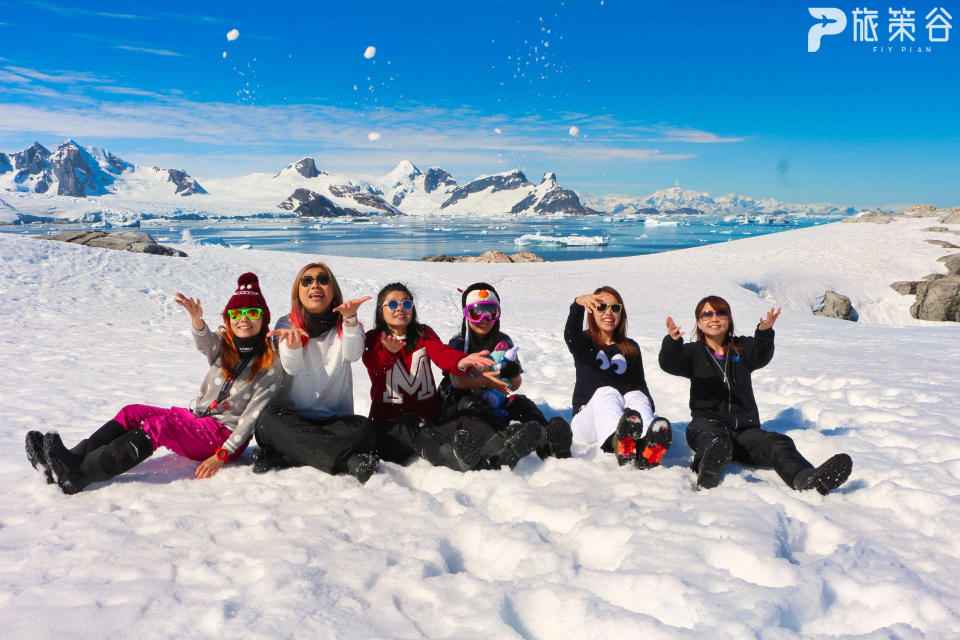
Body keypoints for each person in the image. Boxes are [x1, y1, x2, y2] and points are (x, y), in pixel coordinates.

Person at [26, 272, 285, 494]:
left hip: (221, 436)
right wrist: (196, 319)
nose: (244, 319)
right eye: (237, 312)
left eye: (253, 312)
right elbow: (205, 342)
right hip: (198, 419)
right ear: (228, 318)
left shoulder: (269, 364)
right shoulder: (224, 346)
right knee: (132, 412)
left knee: (160, 426)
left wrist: (221, 456)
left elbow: (251, 419)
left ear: (264, 319)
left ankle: (81, 474)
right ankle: (70, 459)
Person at [659, 295, 852, 493]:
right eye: (707, 314)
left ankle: (805, 479)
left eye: (720, 313)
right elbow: (670, 363)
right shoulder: (693, 352)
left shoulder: (741, 349)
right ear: (699, 323)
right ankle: (706, 470)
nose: (714, 318)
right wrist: (672, 342)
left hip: (744, 432)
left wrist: (764, 332)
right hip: (706, 425)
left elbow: (761, 354)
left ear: (729, 319)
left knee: (779, 442)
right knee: (715, 439)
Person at [363, 282, 539, 471]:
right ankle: (458, 459)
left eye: (406, 304)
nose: (400, 308)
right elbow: (375, 364)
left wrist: (461, 362)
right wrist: (389, 352)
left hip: (430, 417)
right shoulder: (374, 338)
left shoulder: (423, 333)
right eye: (392, 304)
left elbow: (442, 353)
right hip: (391, 423)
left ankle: (502, 447)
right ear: (380, 310)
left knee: (465, 419)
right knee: (421, 434)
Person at [252, 263, 380, 483]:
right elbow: (292, 367)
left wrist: (350, 320)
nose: (315, 285)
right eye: (307, 281)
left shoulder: (348, 323)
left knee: (366, 431)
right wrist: (292, 347)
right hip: (290, 419)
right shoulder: (287, 323)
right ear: (298, 291)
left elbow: (353, 354)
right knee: (266, 421)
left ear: (333, 290)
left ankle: (284, 455)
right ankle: (348, 460)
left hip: (334, 422)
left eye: (323, 279)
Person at [440, 282, 572, 460]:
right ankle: (503, 440)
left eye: (491, 313)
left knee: (520, 402)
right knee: (473, 407)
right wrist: (484, 380)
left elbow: (514, 386)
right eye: (476, 313)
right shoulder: (457, 343)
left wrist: (512, 372)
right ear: (466, 315)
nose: (484, 319)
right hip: (462, 399)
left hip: (497, 396)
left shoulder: (503, 341)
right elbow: (457, 382)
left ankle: (547, 437)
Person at [565, 286, 672, 468]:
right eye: (602, 307)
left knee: (636, 396)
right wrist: (577, 305)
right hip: (586, 421)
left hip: (626, 421)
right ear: (592, 311)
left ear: (622, 314)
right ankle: (617, 442)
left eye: (615, 308)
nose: (609, 312)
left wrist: (647, 408)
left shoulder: (630, 347)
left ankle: (648, 444)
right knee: (607, 392)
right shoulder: (584, 342)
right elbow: (570, 335)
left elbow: (640, 385)